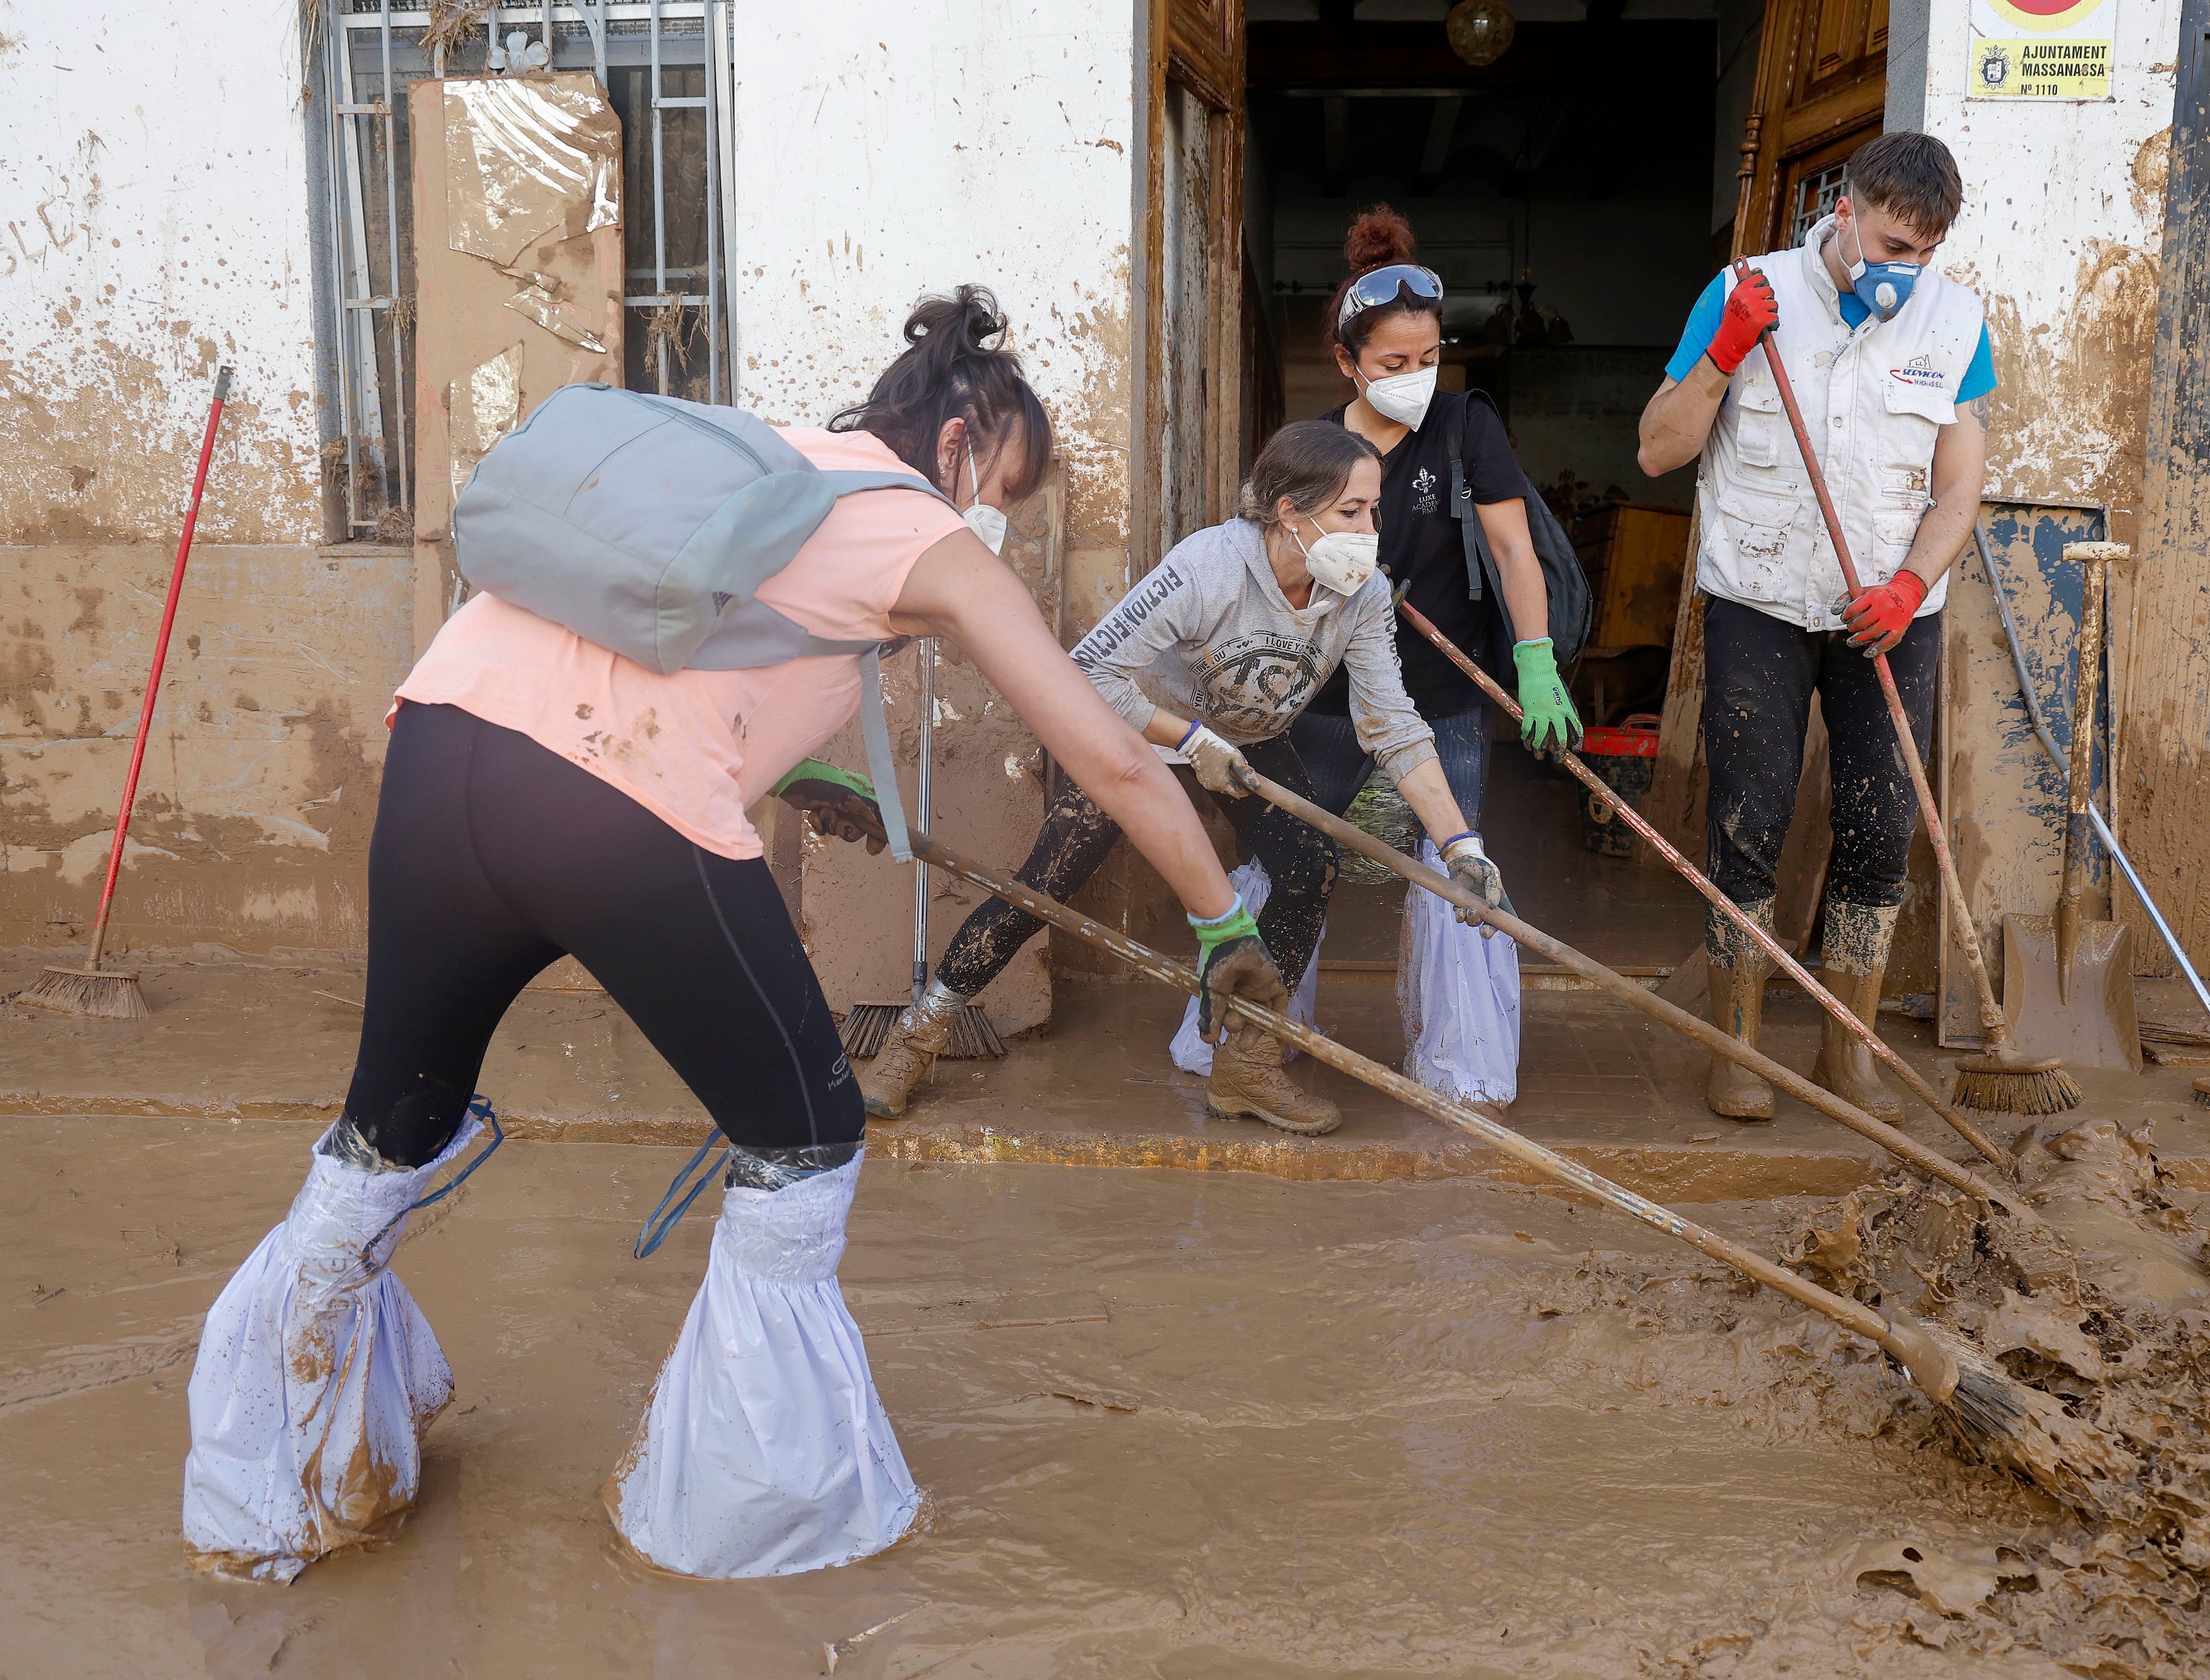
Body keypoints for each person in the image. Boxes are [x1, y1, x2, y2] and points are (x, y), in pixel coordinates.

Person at [178, 288, 1294, 1584]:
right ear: (958, 448)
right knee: (805, 1139)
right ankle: (741, 1526)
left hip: (435, 750)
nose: (1003, 524)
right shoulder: (922, 531)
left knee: (392, 1124)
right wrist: (1221, 922)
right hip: (609, 810)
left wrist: (805, 779)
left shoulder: (759, 464)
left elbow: (665, 661)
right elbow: (1104, 751)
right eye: (1010, 491)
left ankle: (276, 1489)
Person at [847, 419, 1509, 1137]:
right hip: (1146, 732)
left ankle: (1247, 1064)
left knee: (1310, 865)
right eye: (1351, 511)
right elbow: (1088, 673)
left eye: (1374, 511)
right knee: (1044, 882)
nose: (1369, 530)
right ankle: (917, 1037)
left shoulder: (1363, 596)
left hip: (1250, 739)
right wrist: (1191, 738)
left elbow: (1394, 726)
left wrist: (1461, 847)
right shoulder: (1209, 569)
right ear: (1289, 511)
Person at [1635, 132, 1995, 1127]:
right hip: (1758, 598)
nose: (1899, 271)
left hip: (1889, 614)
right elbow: (1658, 449)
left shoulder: (1955, 321)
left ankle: (1850, 1054)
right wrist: (1722, 353)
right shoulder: (1748, 291)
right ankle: (1737, 1050)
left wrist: (1913, 578)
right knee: (1748, 821)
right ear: (1843, 212)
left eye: (1918, 255)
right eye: (1885, 245)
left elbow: (1960, 485)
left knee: (1879, 831)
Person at [1291, 206, 1577, 1116]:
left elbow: (1513, 549)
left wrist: (1535, 660)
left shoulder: (1466, 426)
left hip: (1446, 691)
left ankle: (1459, 1059)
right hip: (1331, 693)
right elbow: (1277, 572)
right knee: (1295, 848)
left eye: (1428, 360)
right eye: (1391, 365)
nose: (1416, 380)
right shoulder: (1312, 450)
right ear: (1347, 363)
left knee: (1455, 857)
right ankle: (1255, 1030)